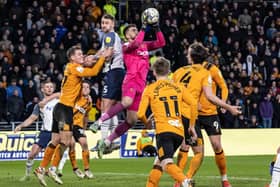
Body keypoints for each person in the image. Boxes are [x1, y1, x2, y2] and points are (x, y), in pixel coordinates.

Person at [34, 45, 110, 186]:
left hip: (60, 108)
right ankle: (52, 168)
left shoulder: (73, 68)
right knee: (66, 142)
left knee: (55, 141)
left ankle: (41, 168)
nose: (82, 56)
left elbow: (88, 64)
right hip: (65, 110)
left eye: (82, 54)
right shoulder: (73, 67)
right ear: (72, 57)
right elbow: (93, 71)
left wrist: (97, 56)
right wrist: (103, 58)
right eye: (79, 54)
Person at [90, 22, 165, 158]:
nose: (136, 31)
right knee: (126, 102)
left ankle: (107, 141)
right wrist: (143, 29)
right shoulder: (125, 46)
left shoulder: (145, 45)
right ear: (125, 35)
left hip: (141, 85)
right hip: (130, 80)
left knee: (132, 120)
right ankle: (99, 121)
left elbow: (161, 42)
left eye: (137, 29)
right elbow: (135, 44)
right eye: (132, 30)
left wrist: (156, 28)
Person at [172, 43, 241, 187]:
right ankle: (181, 180)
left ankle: (224, 179)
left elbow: (223, 86)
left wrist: (222, 102)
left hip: (210, 113)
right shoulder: (188, 70)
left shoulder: (211, 69)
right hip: (193, 113)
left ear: (192, 56)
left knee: (216, 145)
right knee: (186, 146)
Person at [137, 57, 197, 187]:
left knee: (166, 163)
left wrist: (147, 123)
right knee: (158, 163)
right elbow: (193, 104)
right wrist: (191, 126)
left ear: (153, 72)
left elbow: (140, 114)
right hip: (178, 132)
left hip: (164, 132)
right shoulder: (178, 87)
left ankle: (185, 181)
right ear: (169, 71)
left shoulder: (150, 89)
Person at [91, 14, 125, 154]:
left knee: (105, 107)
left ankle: (105, 141)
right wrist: (95, 56)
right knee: (111, 108)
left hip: (113, 72)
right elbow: (104, 50)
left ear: (112, 24)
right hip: (117, 72)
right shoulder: (112, 36)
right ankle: (111, 141)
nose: (103, 25)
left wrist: (95, 59)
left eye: (106, 23)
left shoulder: (109, 35)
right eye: (102, 23)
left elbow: (109, 53)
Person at [48, 80, 94, 179]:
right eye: (83, 87)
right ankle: (75, 168)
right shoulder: (75, 96)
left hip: (78, 126)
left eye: (87, 87)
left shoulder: (89, 102)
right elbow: (60, 94)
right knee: (71, 144)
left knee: (84, 143)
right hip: (68, 122)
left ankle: (87, 169)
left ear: (90, 90)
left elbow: (86, 116)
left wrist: (84, 128)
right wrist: (46, 100)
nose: (85, 89)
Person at [14, 80, 58, 182]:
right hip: (46, 132)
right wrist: (21, 125)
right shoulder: (39, 105)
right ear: (42, 89)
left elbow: (62, 94)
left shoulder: (59, 100)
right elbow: (32, 118)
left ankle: (54, 171)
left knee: (57, 154)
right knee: (32, 153)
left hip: (57, 132)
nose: (49, 88)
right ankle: (27, 174)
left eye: (51, 87)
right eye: (47, 87)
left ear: (54, 89)